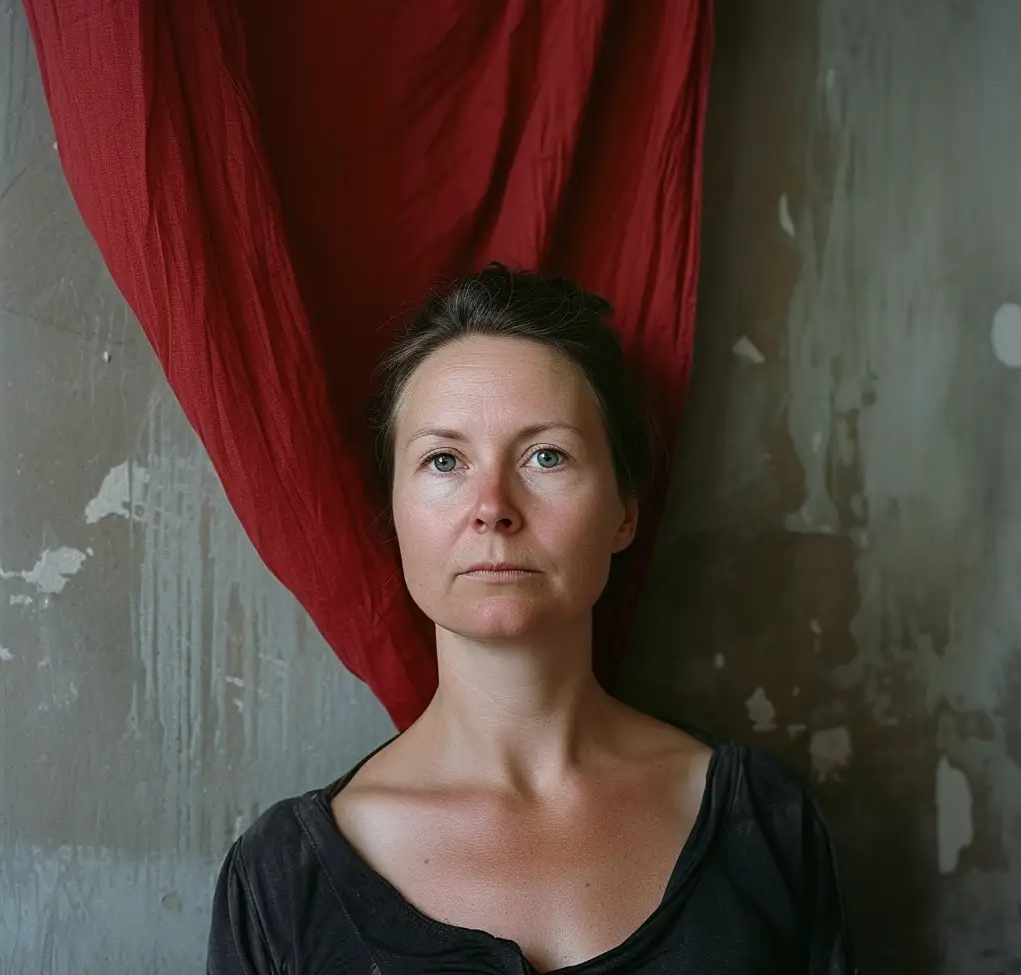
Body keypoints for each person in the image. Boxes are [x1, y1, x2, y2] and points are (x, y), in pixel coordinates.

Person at [208, 267, 850, 974]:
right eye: (444, 460)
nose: (492, 506)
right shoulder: (279, 881)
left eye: (547, 456)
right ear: (393, 513)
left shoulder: (765, 827)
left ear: (624, 510)